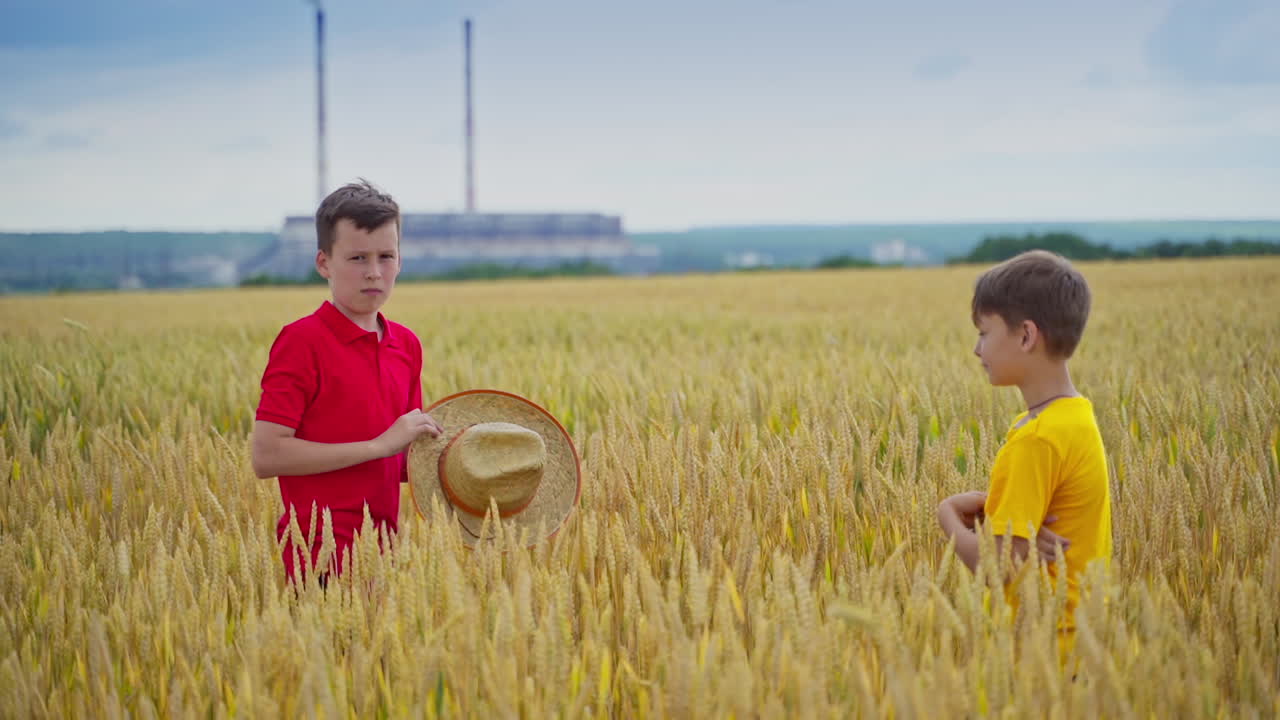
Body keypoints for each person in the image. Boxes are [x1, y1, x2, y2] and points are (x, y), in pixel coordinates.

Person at [251, 179, 442, 582]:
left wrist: (463, 460)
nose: (374, 272)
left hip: (386, 559)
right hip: (317, 561)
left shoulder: (405, 345)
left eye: (386, 256)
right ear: (324, 263)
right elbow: (267, 456)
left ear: (400, 261)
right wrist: (379, 445)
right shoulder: (301, 342)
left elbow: (402, 462)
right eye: (357, 258)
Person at [937, 250, 1113, 657]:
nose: (977, 349)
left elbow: (998, 568)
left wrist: (947, 515)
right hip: (1082, 637)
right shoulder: (1075, 417)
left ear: (1026, 335)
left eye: (984, 333)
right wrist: (996, 510)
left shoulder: (1036, 439)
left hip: (1041, 648)